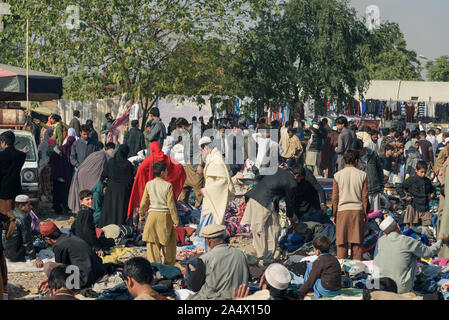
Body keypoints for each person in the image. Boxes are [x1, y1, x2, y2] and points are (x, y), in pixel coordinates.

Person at [241, 165, 301, 267]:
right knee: (266, 229)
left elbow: (259, 176)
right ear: (296, 175)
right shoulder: (292, 182)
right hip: (264, 201)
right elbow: (289, 202)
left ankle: (265, 257)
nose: (299, 182)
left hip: (257, 197)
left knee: (267, 228)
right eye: (299, 179)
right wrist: (291, 217)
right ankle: (263, 258)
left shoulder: (276, 169)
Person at [374, 216, 449, 294]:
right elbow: (428, 253)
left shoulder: (380, 241)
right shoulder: (407, 241)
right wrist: (441, 241)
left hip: (382, 286)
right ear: (398, 226)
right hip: (401, 288)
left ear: (384, 233)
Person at [38, 221, 107, 291]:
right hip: (98, 271)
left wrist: (50, 281)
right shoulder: (70, 237)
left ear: (47, 238)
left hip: (84, 280)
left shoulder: (59, 245)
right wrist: (48, 280)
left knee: (48, 266)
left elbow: (59, 271)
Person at [127, 141, 186, 224]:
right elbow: (179, 167)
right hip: (164, 192)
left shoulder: (149, 160)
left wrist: (146, 178)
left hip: (153, 201)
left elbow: (140, 170)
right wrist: (170, 179)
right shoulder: (167, 158)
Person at [187, 224, 249, 300]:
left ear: (208, 241)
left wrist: (193, 270)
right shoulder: (241, 254)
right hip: (238, 296)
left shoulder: (205, 258)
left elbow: (195, 287)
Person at [139, 161, 178, 265]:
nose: (167, 173)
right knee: (168, 245)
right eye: (166, 171)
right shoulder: (168, 185)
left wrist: (141, 216)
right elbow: (171, 205)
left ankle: (156, 270)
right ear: (161, 172)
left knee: (152, 246)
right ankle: (169, 268)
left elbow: (143, 203)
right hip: (165, 217)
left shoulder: (149, 184)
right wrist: (176, 220)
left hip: (152, 217)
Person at [332, 150, 368, 260]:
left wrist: (334, 214)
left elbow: (335, 198)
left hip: (342, 211)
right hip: (357, 212)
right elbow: (365, 197)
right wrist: (365, 214)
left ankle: (341, 270)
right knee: (357, 244)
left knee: (341, 243)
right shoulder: (363, 175)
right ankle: (357, 271)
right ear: (356, 161)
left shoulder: (337, 175)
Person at [196, 137, 235, 233]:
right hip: (211, 195)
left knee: (212, 226)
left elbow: (222, 181)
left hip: (215, 196)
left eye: (201, 150)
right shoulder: (212, 157)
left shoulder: (216, 159)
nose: (201, 153)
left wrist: (206, 190)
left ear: (205, 147)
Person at [68, 143, 116, 213]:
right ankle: (86, 211)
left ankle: (82, 211)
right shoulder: (103, 158)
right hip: (88, 175)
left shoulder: (100, 153)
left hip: (83, 173)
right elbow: (99, 172)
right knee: (91, 193)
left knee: (84, 193)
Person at [98, 145, 134, 227]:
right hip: (123, 192)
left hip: (111, 190)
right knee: (120, 210)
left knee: (109, 209)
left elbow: (103, 176)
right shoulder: (128, 164)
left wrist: (105, 185)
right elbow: (131, 180)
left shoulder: (111, 162)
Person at [2, 195, 42, 267]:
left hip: (5, 252)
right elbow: (27, 239)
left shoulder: (9, 212)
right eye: (29, 205)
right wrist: (33, 258)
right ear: (21, 207)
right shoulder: (24, 217)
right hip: (15, 255)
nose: (31, 207)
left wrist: (38, 233)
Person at [398, 161, 435, 228]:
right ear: (416, 170)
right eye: (421, 172)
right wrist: (404, 197)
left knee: (427, 228)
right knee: (411, 228)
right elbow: (399, 187)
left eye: (425, 172)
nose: (423, 174)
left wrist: (432, 194)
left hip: (425, 207)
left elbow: (433, 189)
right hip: (413, 207)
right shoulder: (411, 180)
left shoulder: (427, 181)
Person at [351, 139, 384, 212]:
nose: (355, 153)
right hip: (362, 191)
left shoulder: (373, 155)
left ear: (361, 149)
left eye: (357, 151)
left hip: (375, 189)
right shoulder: (354, 159)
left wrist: (381, 185)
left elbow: (379, 170)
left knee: (376, 213)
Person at [71, 190, 107, 257]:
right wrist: (97, 248)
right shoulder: (87, 213)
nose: (90, 201)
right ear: (81, 201)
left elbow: (73, 227)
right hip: (87, 245)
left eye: (91, 198)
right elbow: (88, 232)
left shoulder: (80, 212)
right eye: (87, 199)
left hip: (80, 243)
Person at [0, 131, 27, 213]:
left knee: (5, 217)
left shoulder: (1, 156)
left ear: (3, 142)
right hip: (16, 189)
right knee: (17, 216)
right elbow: (15, 153)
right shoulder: (22, 155)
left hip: (3, 191)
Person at [49, 135, 76, 215]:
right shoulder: (72, 149)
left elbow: (52, 158)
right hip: (66, 175)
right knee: (65, 192)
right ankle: (65, 207)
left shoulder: (60, 148)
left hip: (57, 175)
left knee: (57, 192)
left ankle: (57, 208)